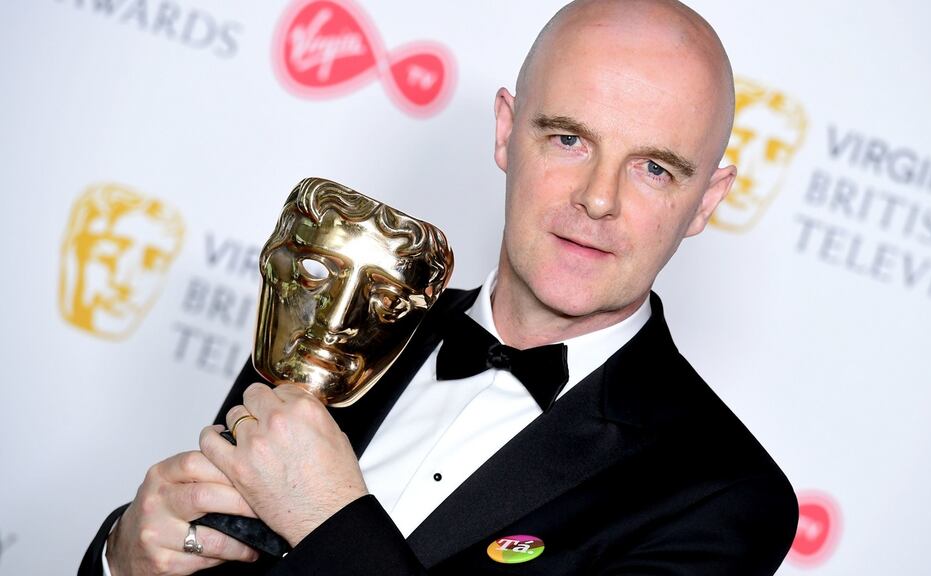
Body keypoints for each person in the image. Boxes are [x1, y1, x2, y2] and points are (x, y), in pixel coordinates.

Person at [80, 0, 798, 574]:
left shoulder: (725, 496)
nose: (598, 198)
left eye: (655, 169)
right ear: (506, 132)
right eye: (568, 139)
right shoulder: (341, 322)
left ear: (706, 200)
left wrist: (330, 521)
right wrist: (124, 556)